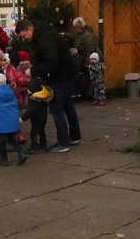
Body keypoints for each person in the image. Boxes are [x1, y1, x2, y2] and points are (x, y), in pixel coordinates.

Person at [15, 19, 81, 152]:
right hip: (67, 73)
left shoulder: (45, 39)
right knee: (68, 105)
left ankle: (63, 143)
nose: (23, 39)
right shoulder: (44, 34)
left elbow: (51, 62)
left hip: (60, 75)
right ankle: (74, 136)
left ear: (30, 30)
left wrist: (33, 71)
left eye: (24, 36)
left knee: (56, 108)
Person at [68, 16, 97, 98]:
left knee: (87, 76)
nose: (75, 29)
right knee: (85, 76)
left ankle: (89, 94)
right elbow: (73, 36)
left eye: (76, 27)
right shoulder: (79, 34)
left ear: (79, 27)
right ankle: (84, 94)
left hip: (85, 58)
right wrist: (65, 34)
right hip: (82, 57)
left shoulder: (87, 36)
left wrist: (87, 61)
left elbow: (89, 49)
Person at [21, 79, 51, 154]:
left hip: (36, 119)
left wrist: (22, 118)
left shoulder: (34, 100)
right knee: (41, 131)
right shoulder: (43, 98)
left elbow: (30, 111)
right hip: (43, 118)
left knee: (33, 133)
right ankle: (43, 144)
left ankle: (33, 148)